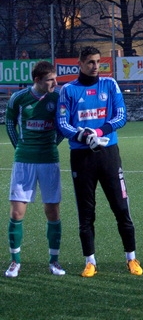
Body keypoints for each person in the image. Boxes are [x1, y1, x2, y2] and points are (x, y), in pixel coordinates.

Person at [56, 46, 143, 277]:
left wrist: (98, 131)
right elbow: (63, 124)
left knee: (121, 207)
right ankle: (90, 261)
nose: (95, 66)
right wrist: (84, 136)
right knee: (86, 212)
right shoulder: (68, 90)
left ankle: (131, 258)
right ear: (80, 64)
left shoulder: (110, 84)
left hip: (108, 154)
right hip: (82, 157)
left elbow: (121, 116)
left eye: (98, 62)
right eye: (90, 62)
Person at [4, 61, 65, 277]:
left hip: (49, 160)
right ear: (37, 80)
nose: (55, 84)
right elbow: (10, 123)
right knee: (17, 212)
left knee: (52, 211)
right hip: (24, 161)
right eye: (50, 80)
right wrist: (19, 147)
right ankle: (15, 262)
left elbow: (62, 128)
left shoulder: (57, 99)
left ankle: (54, 261)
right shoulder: (19, 98)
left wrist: (51, 145)